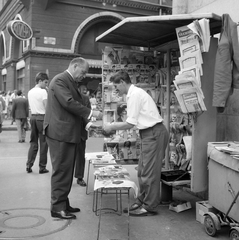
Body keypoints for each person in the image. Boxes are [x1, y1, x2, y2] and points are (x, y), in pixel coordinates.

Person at [103, 71, 169, 217]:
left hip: (154, 133)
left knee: (149, 172)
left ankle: (150, 206)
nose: (116, 89)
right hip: (149, 133)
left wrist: (111, 126)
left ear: (122, 82)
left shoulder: (134, 95)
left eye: (116, 86)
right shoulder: (133, 94)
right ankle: (142, 199)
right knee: (141, 170)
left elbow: (130, 123)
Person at [43, 57, 102, 220]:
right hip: (60, 133)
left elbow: (73, 106)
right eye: (82, 72)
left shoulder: (68, 81)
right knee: (62, 170)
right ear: (75, 66)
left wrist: (89, 124)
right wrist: (91, 113)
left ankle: (63, 202)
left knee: (66, 170)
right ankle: (57, 207)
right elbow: (69, 103)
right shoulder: (60, 80)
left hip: (66, 133)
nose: (83, 76)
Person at [26, 72, 49, 174]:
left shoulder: (30, 92)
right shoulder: (43, 92)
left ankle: (29, 164)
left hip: (33, 118)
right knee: (43, 143)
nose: (46, 85)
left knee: (33, 142)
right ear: (40, 81)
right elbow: (47, 107)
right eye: (45, 82)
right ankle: (42, 167)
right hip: (42, 118)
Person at [74, 83, 91, 187]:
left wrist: (88, 124)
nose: (84, 91)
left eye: (85, 89)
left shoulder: (86, 99)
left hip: (81, 131)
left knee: (80, 155)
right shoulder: (69, 97)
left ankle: (79, 177)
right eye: (83, 89)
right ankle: (66, 177)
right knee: (68, 156)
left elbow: (87, 113)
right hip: (69, 131)